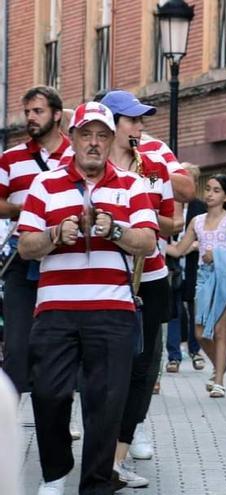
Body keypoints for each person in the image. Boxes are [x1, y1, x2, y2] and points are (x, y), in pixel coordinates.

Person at [18, 101, 158, 494]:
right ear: (73, 138)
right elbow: (26, 247)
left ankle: (95, 485)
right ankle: (55, 471)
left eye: (102, 136)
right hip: (55, 311)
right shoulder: (44, 185)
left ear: (111, 140)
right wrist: (52, 235)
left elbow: (146, 242)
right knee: (48, 394)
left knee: (106, 403)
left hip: (111, 310)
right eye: (86, 135)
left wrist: (115, 230)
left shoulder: (132, 185)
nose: (93, 143)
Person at [98, 90, 181, 488]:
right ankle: (96, 452)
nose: (140, 127)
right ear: (109, 124)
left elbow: (171, 221)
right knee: (104, 370)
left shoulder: (154, 167)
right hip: (102, 280)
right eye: (132, 120)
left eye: (141, 120)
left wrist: (138, 220)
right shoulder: (86, 166)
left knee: (142, 371)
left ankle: (117, 458)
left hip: (150, 276)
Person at [0, 86, 71, 395]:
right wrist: (23, 208)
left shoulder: (74, 155)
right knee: (16, 347)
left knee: (59, 347)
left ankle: (60, 420)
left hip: (64, 262)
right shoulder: (11, 157)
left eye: (38, 111)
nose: (30, 117)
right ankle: (7, 430)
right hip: (22, 256)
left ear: (57, 115)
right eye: (27, 112)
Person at [166, 174, 226, 399]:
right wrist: (156, 245)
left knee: (219, 330)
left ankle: (219, 382)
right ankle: (219, 365)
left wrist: (216, 254)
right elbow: (179, 250)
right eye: (207, 189)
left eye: (216, 190)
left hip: (225, 277)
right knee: (199, 333)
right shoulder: (196, 221)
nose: (209, 194)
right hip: (204, 279)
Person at [166, 162, 207, 372]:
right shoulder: (166, 203)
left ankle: (194, 350)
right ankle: (174, 356)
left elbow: (209, 238)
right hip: (172, 265)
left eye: (188, 179)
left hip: (192, 266)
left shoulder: (201, 208)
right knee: (173, 311)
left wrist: (191, 246)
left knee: (194, 311)